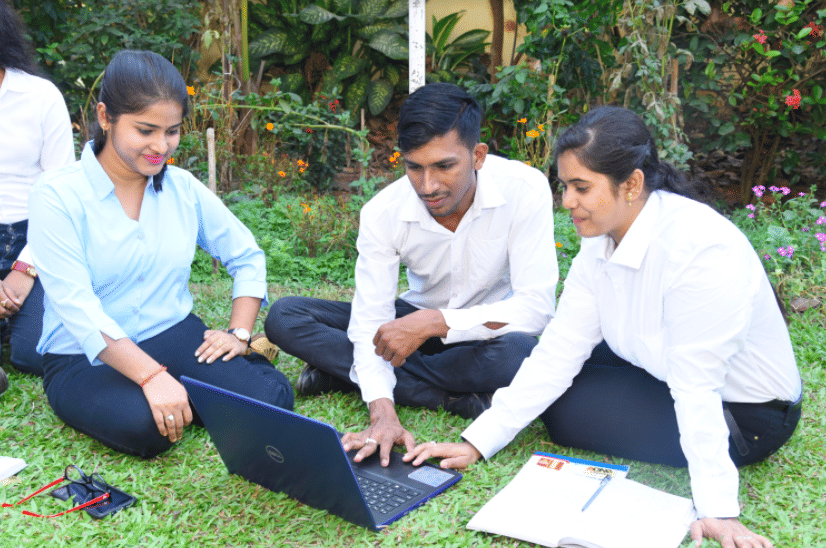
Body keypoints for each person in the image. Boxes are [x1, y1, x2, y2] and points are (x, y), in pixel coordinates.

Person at [405, 106, 801, 548]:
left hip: (746, 416)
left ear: (631, 184)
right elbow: (559, 350)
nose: (567, 201)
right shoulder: (602, 239)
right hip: (657, 368)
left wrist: (718, 511)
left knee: (562, 410)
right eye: (564, 186)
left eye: (581, 187)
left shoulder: (701, 251)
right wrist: (479, 443)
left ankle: (442, 392)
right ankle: (454, 396)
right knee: (534, 360)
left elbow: (697, 386)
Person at [265, 82, 558, 467]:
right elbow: (372, 317)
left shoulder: (524, 189)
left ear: (479, 156)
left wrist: (435, 322)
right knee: (286, 317)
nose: (428, 185)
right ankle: (450, 398)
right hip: (408, 330)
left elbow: (537, 308)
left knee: (520, 353)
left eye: (444, 166)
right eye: (414, 167)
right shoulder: (382, 212)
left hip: (483, 336)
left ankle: (341, 373)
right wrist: (382, 414)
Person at [27, 50, 294, 458]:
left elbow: (246, 255)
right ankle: (201, 389)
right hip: (82, 356)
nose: (160, 146)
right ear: (104, 117)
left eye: (171, 131)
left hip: (171, 332)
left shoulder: (183, 188)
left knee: (272, 400)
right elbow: (76, 307)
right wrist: (151, 376)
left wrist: (239, 333)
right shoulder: (57, 195)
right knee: (148, 429)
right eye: (146, 130)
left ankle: (246, 358)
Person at [0, 0, 74, 396]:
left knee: (31, 354)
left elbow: (61, 195)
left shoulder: (40, 96)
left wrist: (24, 269)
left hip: (35, 235)